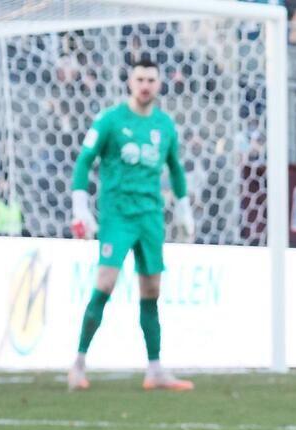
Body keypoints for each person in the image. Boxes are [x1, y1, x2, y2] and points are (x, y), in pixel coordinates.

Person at [68, 56, 195, 392]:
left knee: (151, 290)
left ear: (159, 84)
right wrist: (81, 209)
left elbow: (176, 169)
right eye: (139, 79)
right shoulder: (110, 120)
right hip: (117, 215)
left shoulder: (165, 125)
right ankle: (78, 363)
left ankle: (154, 370)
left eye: (151, 80)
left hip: (151, 216)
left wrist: (184, 210)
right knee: (106, 282)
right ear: (130, 82)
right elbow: (84, 162)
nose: (145, 85)